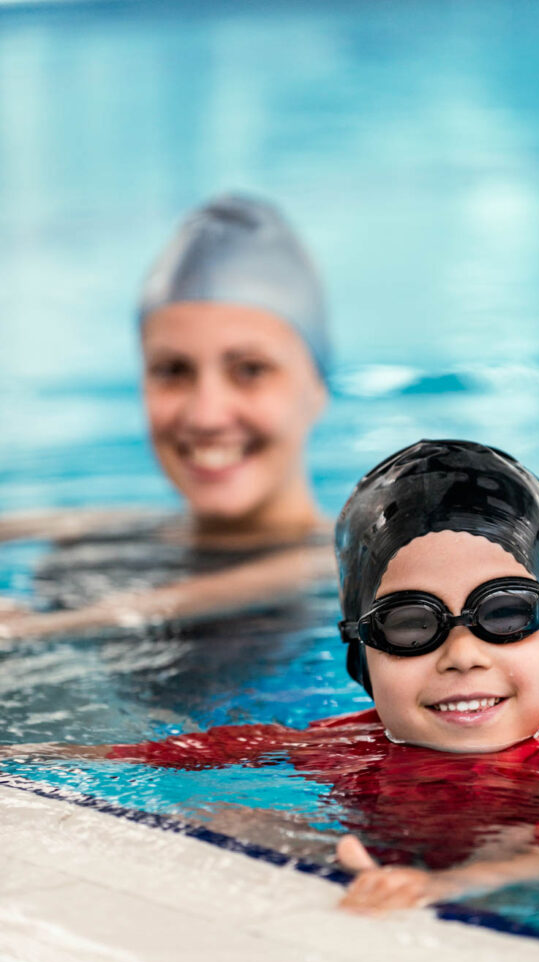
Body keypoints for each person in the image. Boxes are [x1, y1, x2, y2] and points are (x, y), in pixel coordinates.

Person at [4, 441, 539, 913]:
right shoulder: (349, 745)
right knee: (225, 817)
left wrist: (448, 888)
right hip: (395, 876)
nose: (463, 654)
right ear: (361, 655)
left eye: (504, 614)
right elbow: (202, 752)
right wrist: (43, 758)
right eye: (411, 626)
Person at [0, 195, 334, 643]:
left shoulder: (360, 560)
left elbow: (300, 572)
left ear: (317, 390)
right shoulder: (121, 536)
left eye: (250, 370)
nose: (206, 415)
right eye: (173, 371)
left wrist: (36, 630)